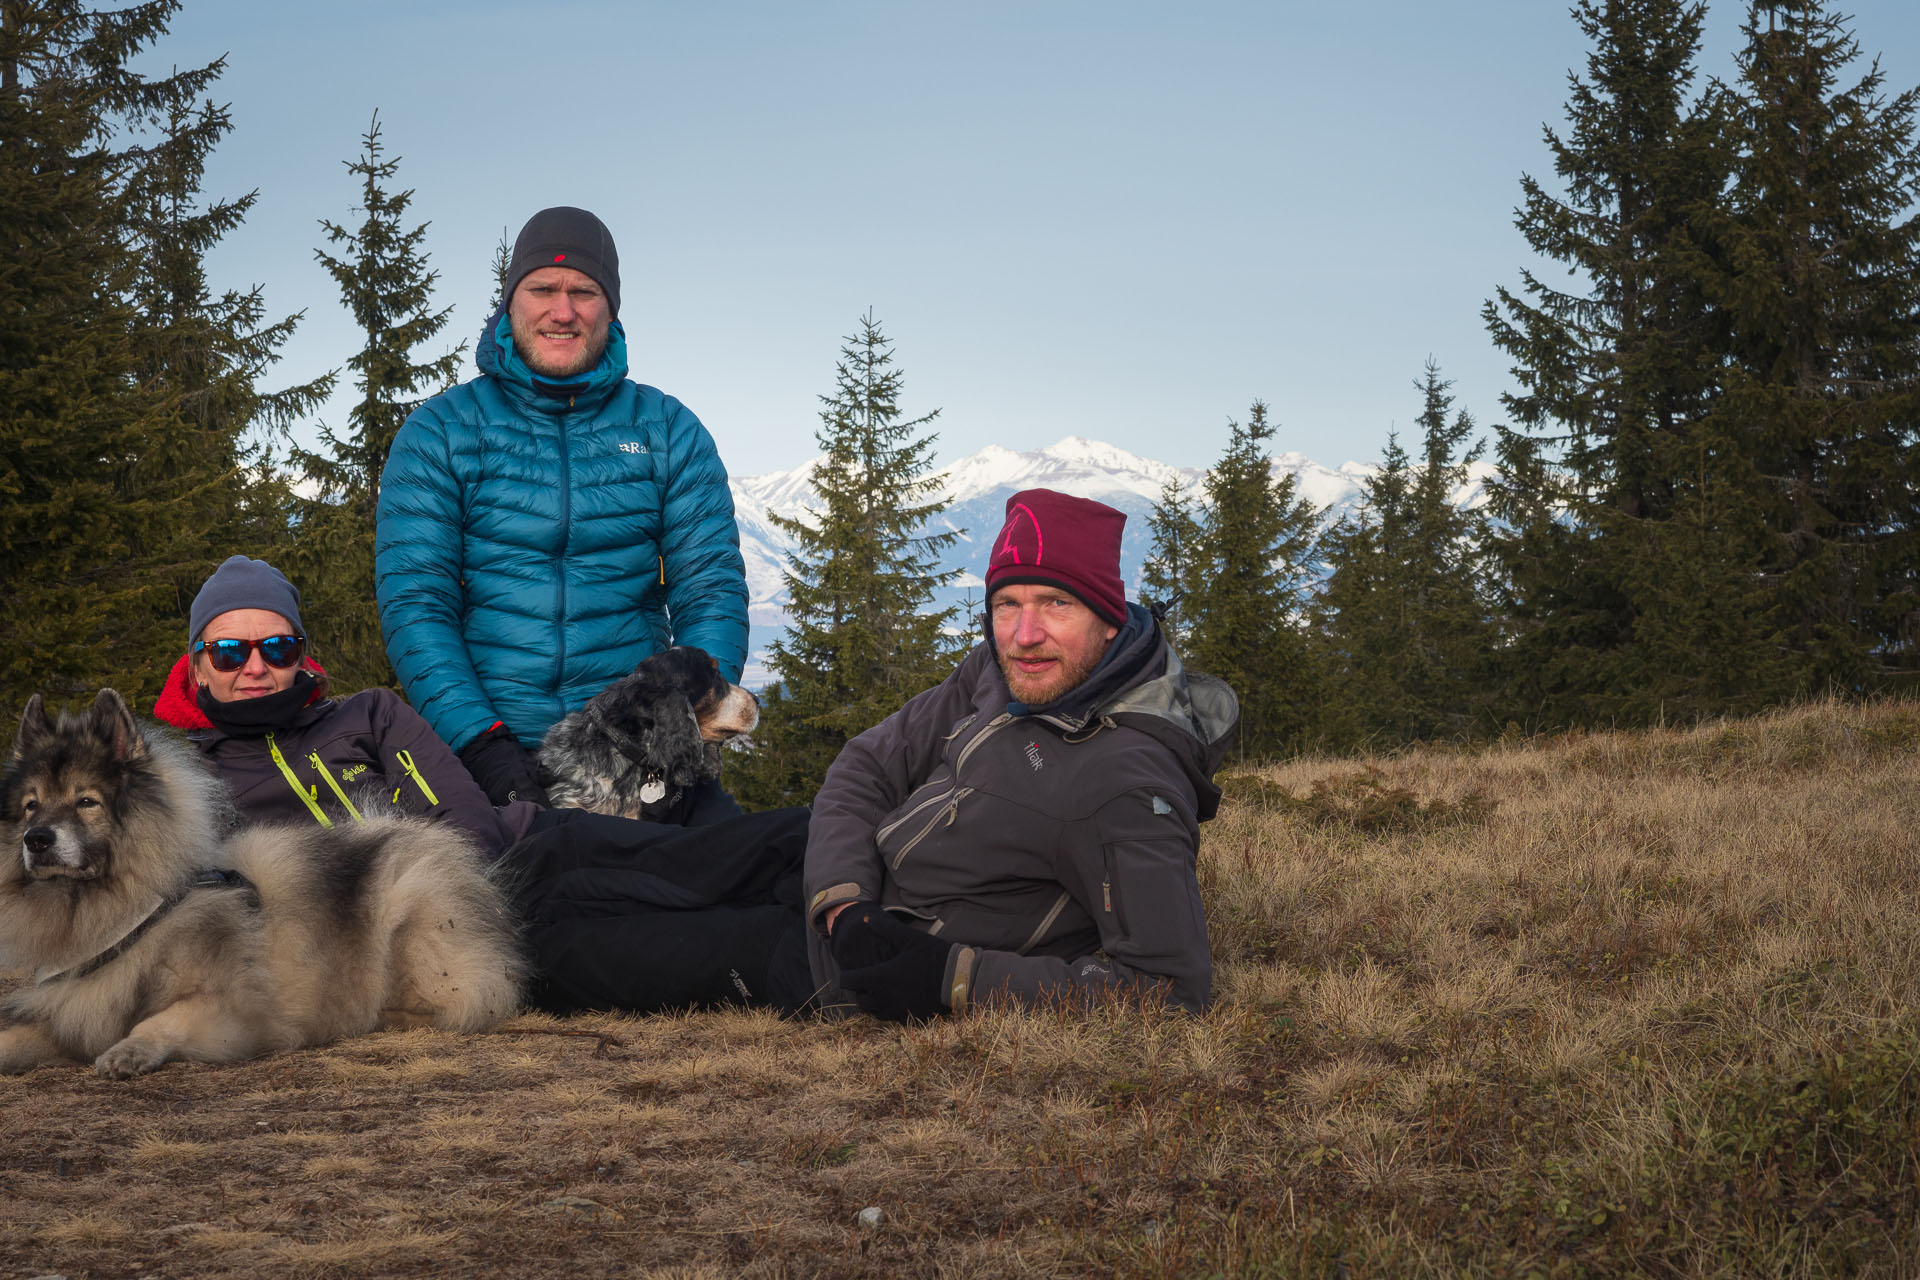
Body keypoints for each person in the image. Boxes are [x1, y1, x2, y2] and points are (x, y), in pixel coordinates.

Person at [155, 556, 816, 1017]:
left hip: (527, 850)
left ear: (301, 655)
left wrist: (473, 884)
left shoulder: (370, 714)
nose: (255, 668)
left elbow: (459, 804)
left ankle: (860, 860)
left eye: (276, 648)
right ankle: (850, 947)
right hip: (438, 941)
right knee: (688, 944)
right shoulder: (194, 787)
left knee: (715, 859)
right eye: (230, 652)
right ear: (198, 667)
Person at [804, 489, 1239, 1022]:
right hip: (835, 884)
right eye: (1008, 604)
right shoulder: (996, 667)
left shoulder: (1124, 781)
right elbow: (869, 762)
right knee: (678, 855)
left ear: (1108, 618)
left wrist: (950, 975)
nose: (1024, 636)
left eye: (1057, 603)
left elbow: (1170, 991)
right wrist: (845, 903)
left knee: (674, 939)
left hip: (854, 963)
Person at [375, 206, 748, 808]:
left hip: (641, 753)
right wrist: (483, 746)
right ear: (511, 302)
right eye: (542, 289)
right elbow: (417, 605)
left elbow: (710, 590)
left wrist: (678, 728)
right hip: (487, 754)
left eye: (584, 291)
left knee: (738, 884)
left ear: (611, 307)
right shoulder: (440, 433)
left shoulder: (668, 430)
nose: (563, 310)